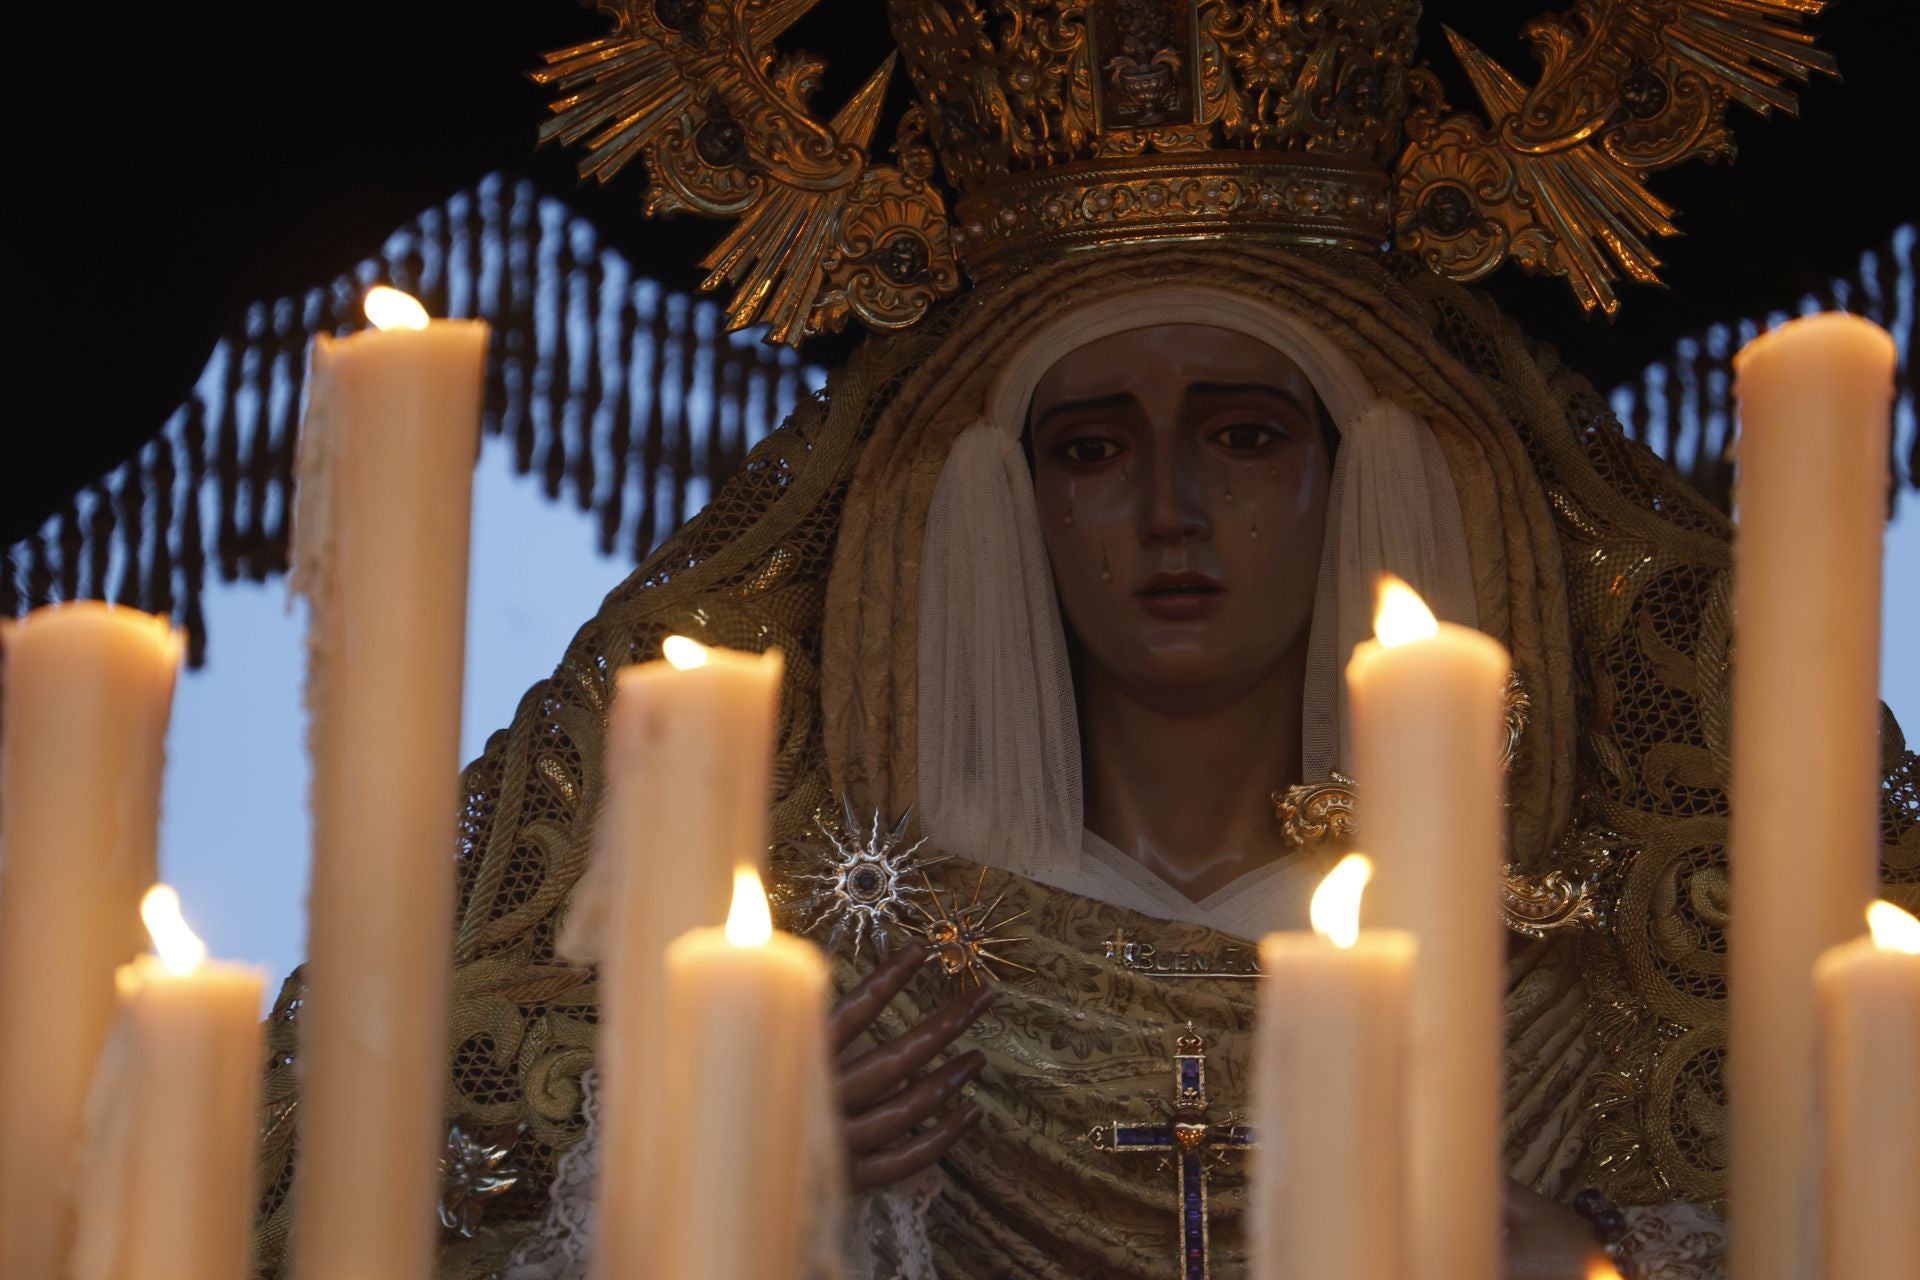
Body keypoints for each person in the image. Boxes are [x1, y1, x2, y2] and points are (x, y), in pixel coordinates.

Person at [248, 2, 1917, 1277]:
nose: (1168, 508)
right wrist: (714, 1203)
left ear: (1373, 479)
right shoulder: (821, 989)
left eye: (1248, 435)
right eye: (1093, 446)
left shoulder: (1594, 985)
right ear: (999, 502)